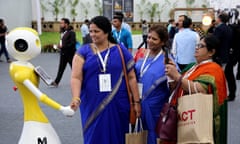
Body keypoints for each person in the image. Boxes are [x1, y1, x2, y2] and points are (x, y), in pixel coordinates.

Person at [70, 16, 141, 144]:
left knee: (118, 136)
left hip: (118, 103)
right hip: (92, 103)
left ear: (106, 32)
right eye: (91, 31)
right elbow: (76, 77)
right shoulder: (84, 51)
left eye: (96, 31)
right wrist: (76, 97)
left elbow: (131, 77)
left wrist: (136, 102)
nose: (92, 35)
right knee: (94, 136)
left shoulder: (120, 50)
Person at [165, 35, 228, 144]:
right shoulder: (192, 66)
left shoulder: (214, 69)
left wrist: (176, 76)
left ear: (211, 52)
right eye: (197, 45)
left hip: (199, 118)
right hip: (185, 114)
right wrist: (172, 75)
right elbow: (179, 85)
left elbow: (201, 90)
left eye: (201, 46)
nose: (196, 48)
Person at [135, 25, 174, 144]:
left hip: (155, 106)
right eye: (149, 37)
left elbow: (173, 87)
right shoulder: (141, 54)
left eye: (154, 39)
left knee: (154, 134)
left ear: (162, 42)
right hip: (138, 102)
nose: (150, 41)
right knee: (138, 133)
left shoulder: (167, 60)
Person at [50, 18, 76, 87]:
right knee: (61, 68)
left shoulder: (71, 32)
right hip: (63, 54)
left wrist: (63, 46)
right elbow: (63, 42)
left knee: (75, 69)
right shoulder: (62, 32)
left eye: (62, 23)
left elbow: (72, 43)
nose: (60, 24)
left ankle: (81, 81)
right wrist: (59, 46)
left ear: (66, 24)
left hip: (70, 54)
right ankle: (56, 82)